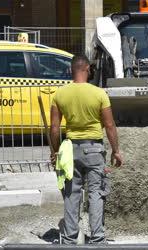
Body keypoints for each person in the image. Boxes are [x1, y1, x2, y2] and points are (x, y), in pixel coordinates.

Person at [50, 55, 123, 244]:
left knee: (71, 195)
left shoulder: (59, 95)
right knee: (96, 193)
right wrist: (116, 150)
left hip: (71, 151)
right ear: (87, 69)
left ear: (71, 70)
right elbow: (109, 125)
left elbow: (55, 128)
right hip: (94, 150)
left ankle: (69, 240)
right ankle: (97, 239)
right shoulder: (99, 94)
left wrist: (56, 152)